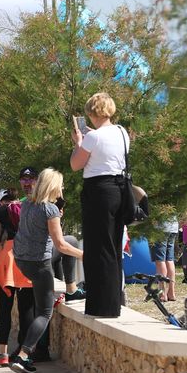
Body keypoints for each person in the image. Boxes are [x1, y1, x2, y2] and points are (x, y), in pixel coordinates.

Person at [10, 168, 83, 373]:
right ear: (53, 186)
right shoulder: (49, 209)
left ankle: (70, 288)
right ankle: (23, 356)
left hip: (22, 259)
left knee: (71, 239)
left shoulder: (27, 203)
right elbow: (61, 246)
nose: (62, 189)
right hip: (38, 263)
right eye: (60, 185)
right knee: (44, 312)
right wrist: (86, 256)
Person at [70, 92, 128, 318]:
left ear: (92, 112)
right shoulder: (122, 132)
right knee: (113, 246)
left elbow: (76, 164)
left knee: (97, 248)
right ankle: (114, 302)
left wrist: (78, 144)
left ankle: (100, 305)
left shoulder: (93, 138)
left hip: (98, 191)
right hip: (118, 190)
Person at [0, 186, 34, 366]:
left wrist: (4, 252)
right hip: (27, 257)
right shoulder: (29, 208)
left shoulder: (0, 212)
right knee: (26, 308)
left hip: (8, 258)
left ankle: (2, 353)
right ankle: (24, 352)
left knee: (5, 308)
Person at [153, 216, 179, 301]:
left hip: (160, 228)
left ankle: (163, 293)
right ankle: (171, 293)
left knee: (160, 260)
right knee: (169, 260)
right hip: (173, 226)